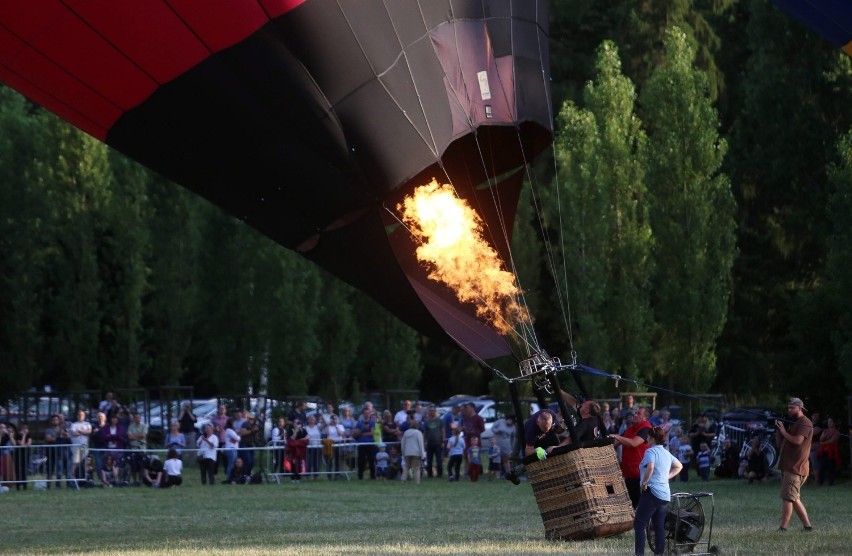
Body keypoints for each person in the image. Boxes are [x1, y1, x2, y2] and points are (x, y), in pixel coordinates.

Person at [633, 426, 683, 556]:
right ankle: (659, 553)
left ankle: (639, 554)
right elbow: (679, 466)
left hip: (651, 492)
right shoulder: (666, 453)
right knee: (659, 526)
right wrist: (667, 476)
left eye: (648, 436)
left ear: (652, 438)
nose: (647, 439)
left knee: (639, 524)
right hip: (664, 495)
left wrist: (644, 483)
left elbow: (650, 467)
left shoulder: (651, 452)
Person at [775, 397, 813, 532]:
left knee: (788, 498)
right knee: (794, 498)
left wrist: (784, 432)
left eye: (792, 408)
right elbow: (780, 444)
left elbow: (797, 441)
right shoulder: (793, 423)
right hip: (788, 466)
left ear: (800, 408)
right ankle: (808, 527)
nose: (789, 410)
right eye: (788, 407)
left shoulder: (805, 422)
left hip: (796, 467)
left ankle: (783, 528)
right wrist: (779, 431)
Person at [611, 407, 652, 507]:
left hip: (639, 474)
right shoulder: (631, 429)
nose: (635, 415)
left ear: (645, 418)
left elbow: (634, 443)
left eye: (639, 414)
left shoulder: (646, 428)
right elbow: (616, 442)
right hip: (629, 473)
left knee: (636, 504)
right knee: (629, 503)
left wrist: (617, 436)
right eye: (635, 413)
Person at [400, 416, 426, 484]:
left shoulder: (406, 433)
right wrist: (422, 455)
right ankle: (417, 482)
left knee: (406, 466)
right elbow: (421, 444)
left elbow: (403, 443)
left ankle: (403, 479)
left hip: (407, 452)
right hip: (416, 453)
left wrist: (403, 453)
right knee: (417, 468)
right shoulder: (418, 433)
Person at [69, 410, 93, 483]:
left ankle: (85, 479)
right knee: (75, 462)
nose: (80, 416)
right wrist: (83, 432)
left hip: (84, 446)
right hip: (76, 446)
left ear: (84, 416)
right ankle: (72, 479)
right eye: (79, 414)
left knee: (85, 463)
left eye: (82, 415)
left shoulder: (87, 424)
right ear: (77, 416)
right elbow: (74, 433)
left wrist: (80, 431)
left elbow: (89, 432)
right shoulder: (74, 424)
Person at [421, 404, 444, 479]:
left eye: (432, 410)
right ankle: (429, 475)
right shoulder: (426, 421)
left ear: (435, 411)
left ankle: (440, 474)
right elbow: (425, 433)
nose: (431, 412)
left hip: (438, 443)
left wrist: (443, 441)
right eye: (430, 411)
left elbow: (443, 431)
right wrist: (424, 442)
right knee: (429, 461)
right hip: (429, 444)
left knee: (439, 461)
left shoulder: (439, 420)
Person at [816, 417, 840, 486]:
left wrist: (822, 443)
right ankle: (820, 483)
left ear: (834, 423)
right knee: (821, 467)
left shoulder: (837, 432)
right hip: (824, 451)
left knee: (831, 467)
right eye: (828, 422)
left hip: (832, 452)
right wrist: (824, 434)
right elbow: (821, 439)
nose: (829, 423)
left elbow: (832, 441)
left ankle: (831, 483)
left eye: (831, 421)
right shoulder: (825, 431)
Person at [354, 407, 377, 480]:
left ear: (369, 414)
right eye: (365, 413)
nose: (366, 414)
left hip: (370, 444)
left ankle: (372, 477)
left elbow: (371, 433)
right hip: (361, 444)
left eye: (368, 413)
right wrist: (363, 428)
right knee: (361, 460)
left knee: (371, 460)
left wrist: (362, 434)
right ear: (363, 414)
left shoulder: (372, 422)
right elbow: (355, 433)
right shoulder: (359, 422)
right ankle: (360, 477)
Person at [126, 412, 148, 484]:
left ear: (140, 418)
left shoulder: (144, 426)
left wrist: (134, 436)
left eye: (138, 417)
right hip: (133, 449)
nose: (137, 419)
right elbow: (129, 437)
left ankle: (140, 480)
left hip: (142, 449)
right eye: (135, 417)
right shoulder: (130, 426)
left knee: (141, 465)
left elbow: (143, 436)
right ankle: (135, 480)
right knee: (133, 465)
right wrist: (138, 436)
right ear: (133, 418)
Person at [12, 423, 31, 490]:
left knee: (24, 470)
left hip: (25, 455)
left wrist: (26, 436)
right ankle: (18, 486)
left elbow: (29, 443)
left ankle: (24, 486)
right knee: (18, 470)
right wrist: (24, 436)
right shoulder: (17, 436)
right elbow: (22, 444)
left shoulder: (29, 436)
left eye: (26, 429)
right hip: (18, 455)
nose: (25, 430)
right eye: (24, 429)